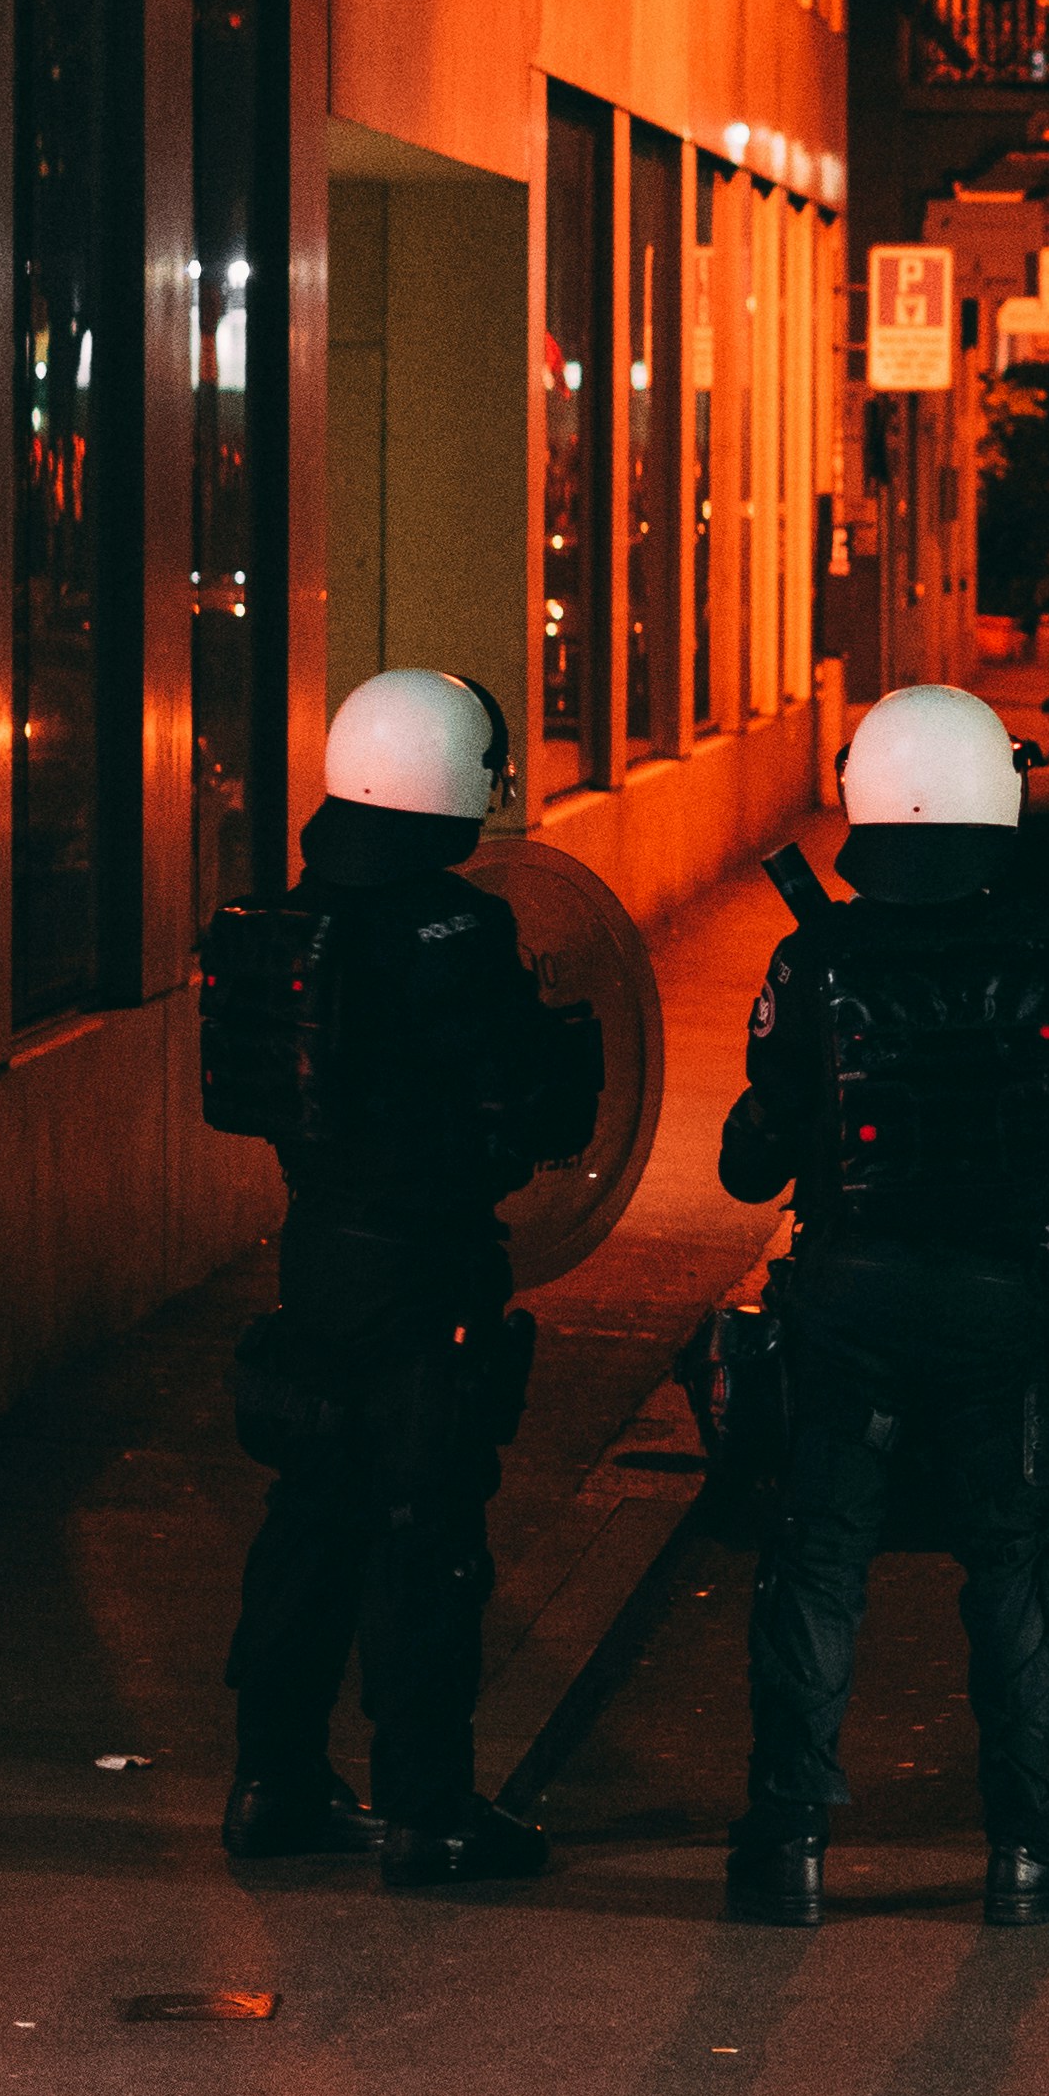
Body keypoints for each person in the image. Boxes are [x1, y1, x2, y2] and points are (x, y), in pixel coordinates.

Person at [715, 686, 1049, 1931]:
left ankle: (784, 1847)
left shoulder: (813, 958)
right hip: (996, 1297)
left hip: (849, 1296)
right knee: (1014, 1565)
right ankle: (1026, 1846)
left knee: (818, 1562)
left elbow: (751, 1163)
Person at [208, 668, 604, 1894]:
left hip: (318, 1254)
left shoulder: (297, 916)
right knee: (422, 1532)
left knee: (308, 1518)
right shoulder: (454, 930)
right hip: (427, 1262)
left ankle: (273, 1785)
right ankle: (430, 1811)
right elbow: (519, 1098)